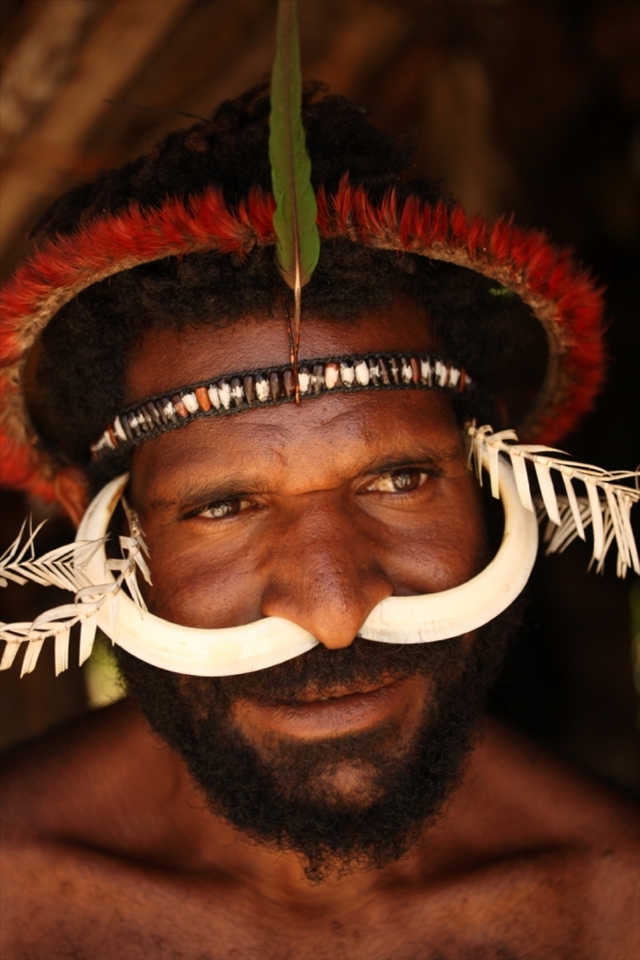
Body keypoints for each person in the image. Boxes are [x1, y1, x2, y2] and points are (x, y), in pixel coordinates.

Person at [1, 84, 638, 960]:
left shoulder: (613, 912)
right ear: (102, 535)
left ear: (493, 483)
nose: (336, 613)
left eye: (400, 479)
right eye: (223, 506)